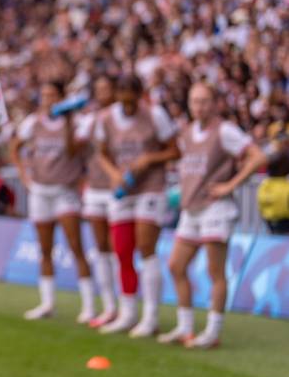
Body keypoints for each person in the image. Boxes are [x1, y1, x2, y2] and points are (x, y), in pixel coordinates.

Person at [159, 83, 266, 348]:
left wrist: (231, 185)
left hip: (216, 208)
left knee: (214, 271)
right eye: (195, 101)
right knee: (176, 266)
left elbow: (257, 157)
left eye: (204, 101)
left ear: (215, 103)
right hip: (191, 207)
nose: (199, 106)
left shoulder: (225, 130)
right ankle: (185, 327)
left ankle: (213, 332)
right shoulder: (186, 132)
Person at [95, 74, 180, 337]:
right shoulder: (106, 118)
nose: (126, 102)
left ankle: (151, 316)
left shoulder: (156, 115)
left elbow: (175, 150)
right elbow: (102, 152)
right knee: (121, 250)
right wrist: (112, 173)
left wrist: (149, 159)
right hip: (122, 189)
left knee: (145, 247)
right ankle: (128, 312)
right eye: (122, 96)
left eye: (131, 96)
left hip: (150, 187)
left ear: (139, 95)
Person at [10, 80, 94, 323]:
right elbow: (15, 146)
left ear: (62, 97)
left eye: (52, 95)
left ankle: (88, 306)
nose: (48, 100)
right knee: (44, 249)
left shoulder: (75, 122)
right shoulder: (32, 123)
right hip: (40, 191)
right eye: (44, 95)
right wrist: (23, 173)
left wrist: (67, 120)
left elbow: (72, 152)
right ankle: (47, 303)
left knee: (75, 245)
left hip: (65, 191)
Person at [77, 75, 119, 327]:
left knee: (118, 247)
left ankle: (125, 305)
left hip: (117, 189)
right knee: (101, 245)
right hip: (94, 186)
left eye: (107, 87)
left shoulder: (120, 116)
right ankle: (108, 305)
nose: (103, 92)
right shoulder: (90, 120)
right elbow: (77, 147)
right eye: (100, 88)